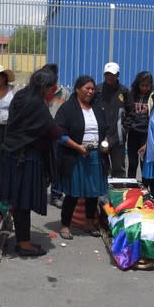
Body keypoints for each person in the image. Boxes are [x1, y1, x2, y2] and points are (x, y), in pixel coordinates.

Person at [0, 67, 80, 256]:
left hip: (11, 154)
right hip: (25, 158)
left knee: (17, 201)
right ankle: (24, 244)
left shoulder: (21, 95)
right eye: (51, 87)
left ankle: (20, 237)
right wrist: (76, 144)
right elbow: (53, 130)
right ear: (44, 86)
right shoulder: (36, 104)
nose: (53, 90)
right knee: (23, 201)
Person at [55, 75, 109, 240]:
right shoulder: (67, 109)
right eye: (87, 88)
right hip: (76, 155)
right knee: (73, 192)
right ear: (78, 89)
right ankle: (65, 225)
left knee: (92, 193)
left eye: (93, 89)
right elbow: (60, 134)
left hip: (95, 155)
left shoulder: (97, 108)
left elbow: (105, 130)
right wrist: (78, 147)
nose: (91, 91)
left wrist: (106, 142)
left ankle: (89, 223)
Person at [95, 62, 129, 177]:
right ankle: (102, 194)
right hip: (100, 135)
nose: (109, 77)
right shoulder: (97, 90)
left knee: (118, 169)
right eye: (107, 74)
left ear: (117, 75)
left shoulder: (124, 91)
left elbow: (131, 112)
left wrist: (124, 129)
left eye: (112, 74)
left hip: (118, 136)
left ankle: (118, 193)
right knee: (101, 168)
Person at [43, 63, 69, 208]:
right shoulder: (37, 93)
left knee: (57, 166)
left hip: (57, 135)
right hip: (41, 135)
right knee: (41, 165)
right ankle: (40, 193)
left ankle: (56, 194)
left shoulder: (63, 93)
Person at [124, 71, 153, 180]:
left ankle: (144, 188)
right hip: (133, 132)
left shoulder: (152, 97)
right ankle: (130, 187)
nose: (145, 88)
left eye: (147, 86)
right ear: (138, 84)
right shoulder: (132, 95)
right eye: (142, 85)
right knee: (132, 163)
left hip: (145, 134)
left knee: (143, 162)